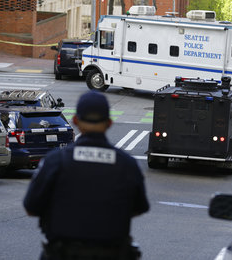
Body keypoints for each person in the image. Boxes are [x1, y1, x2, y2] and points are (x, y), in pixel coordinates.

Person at [23, 90, 150, 260]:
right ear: (109, 123)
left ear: (76, 121)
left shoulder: (55, 161)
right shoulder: (127, 164)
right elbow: (139, 207)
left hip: (63, 253)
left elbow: (31, 207)